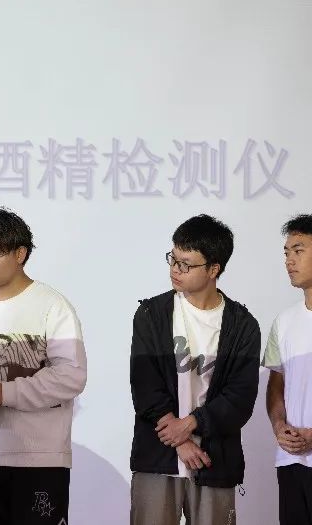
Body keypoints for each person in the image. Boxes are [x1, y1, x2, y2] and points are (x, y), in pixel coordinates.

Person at [0, 207, 86, 525]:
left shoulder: (52, 305)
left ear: (20, 254)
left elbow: (71, 376)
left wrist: (6, 392)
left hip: (40, 460)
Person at [130, 214, 260, 525]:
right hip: (158, 456)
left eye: (186, 264)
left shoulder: (242, 325)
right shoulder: (152, 314)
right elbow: (145, 386)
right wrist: (180, 440)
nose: (175, 269)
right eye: (173, 259)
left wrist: (192, 423)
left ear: (213, 269)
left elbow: (240, 398)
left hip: (214, 460)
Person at [264, 214, 312, 524]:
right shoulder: (283, 321)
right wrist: (279, 426)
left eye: (298, 250)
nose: (289, 261)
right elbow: (276, 386)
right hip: (292, 461)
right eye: (286, 252)